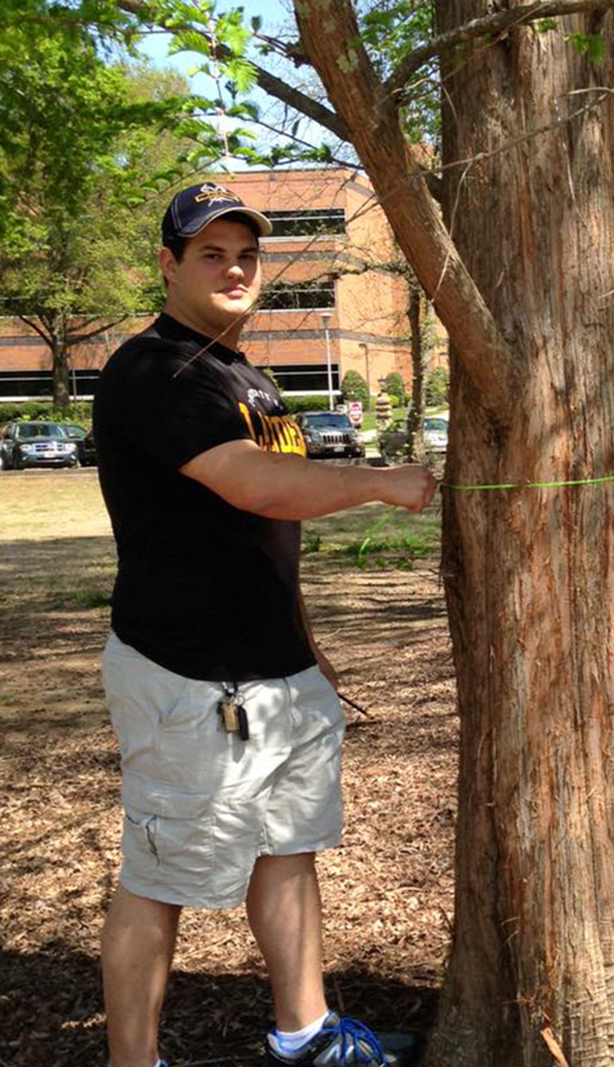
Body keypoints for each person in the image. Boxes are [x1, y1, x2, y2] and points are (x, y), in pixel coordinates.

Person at [93, 182, 436, 1067]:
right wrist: (379, 482)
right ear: (168, 264)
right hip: (186, 674)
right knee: (159, 876)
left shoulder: (244, 375)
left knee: (288, 850)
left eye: (247, 255)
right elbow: (255, 485)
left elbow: (266, 537)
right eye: (211, 254)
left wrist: (306, 645)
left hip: (275, 669)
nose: (235, 269)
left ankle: (305, 1034)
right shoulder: (153, 371)